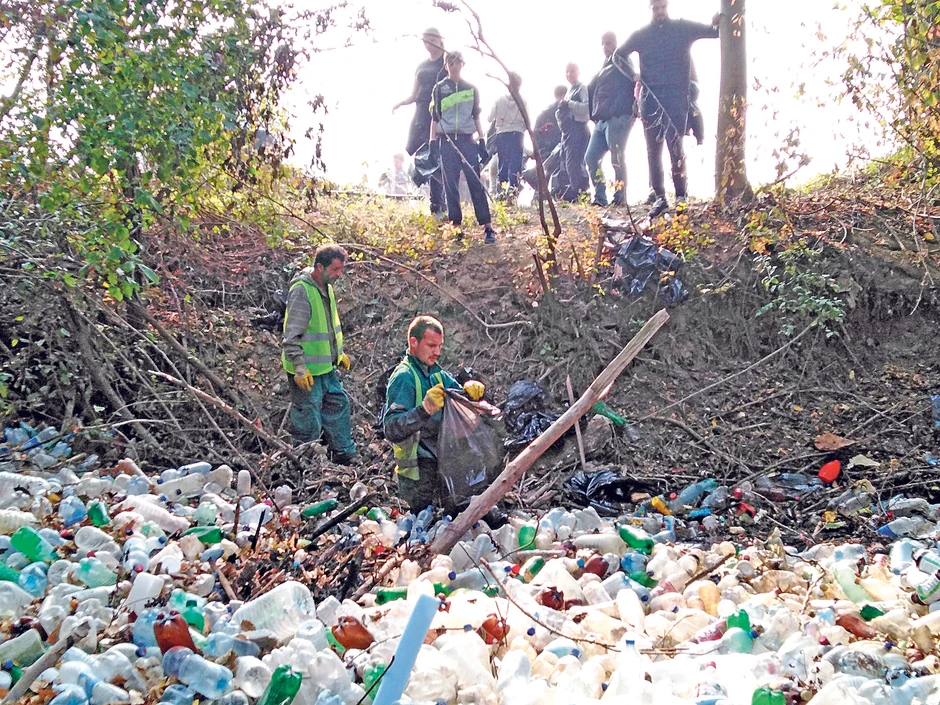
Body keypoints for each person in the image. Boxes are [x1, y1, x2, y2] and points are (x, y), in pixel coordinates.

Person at [615, 0, 719, 217]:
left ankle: (681, 196)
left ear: (667, 6)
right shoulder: (641, 35)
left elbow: (713, 32)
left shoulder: (682, 28)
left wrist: (717, 22)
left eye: (663, 7)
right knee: (653, 150)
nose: (660, 11)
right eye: (656, 8)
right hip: (650, 99)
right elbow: (619, 56)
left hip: (676, 98)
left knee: (675, 146)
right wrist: (634, 75)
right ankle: (660, 197)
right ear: (650, 9)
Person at [383, 316, 487, 511]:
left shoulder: (437, 373)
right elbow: (391, 429)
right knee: (426, 526)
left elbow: (462, 403)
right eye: (431, 345)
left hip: (443, 463)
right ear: (413, 342)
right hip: (419, 476)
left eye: (440, 346)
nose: (437, 352)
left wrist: (472, 391)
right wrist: (424, 410)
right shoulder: (404, 377)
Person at [281, 244, 357, 464]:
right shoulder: (301, 290)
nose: (338, 275)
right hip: (306, 372)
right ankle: (306, 462)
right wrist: (299, 368)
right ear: (319, 267)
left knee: (338, 405)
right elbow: (291, 335)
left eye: (341, 269)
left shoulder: (326, 287)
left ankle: (343, 454)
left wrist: (338, 354)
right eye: (335, 270)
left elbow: (328, 328)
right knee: (308, 418)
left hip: (325, 368)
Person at [431, 52, 496, 243]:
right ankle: (456, 226)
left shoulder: (471, 89)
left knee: (475, 181)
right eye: (451, 62)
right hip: (447, 140)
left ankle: (487, 227)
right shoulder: (439, 88)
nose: (454, 66)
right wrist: (432, 141)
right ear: (446, 66)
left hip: (467, 140)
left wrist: (482, 140)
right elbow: (435, 117)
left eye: (458, 62)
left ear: (462, 64)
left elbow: (476, 116)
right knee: (450, 184)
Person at [393, 28, 447, 216]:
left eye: (432, 39)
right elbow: (414, 93)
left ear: (440, 40)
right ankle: (438, 199)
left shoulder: (446, 62)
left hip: (439, 111)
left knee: (435, 155)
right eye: (425, 40)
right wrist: (401, 103)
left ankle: (439, 202)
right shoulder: (421, 66)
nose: (428, 43)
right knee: (421, 153)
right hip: (421, 111)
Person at [585, 32, 637, 207]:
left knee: (617, 158)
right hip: (601, 120)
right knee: (591, 157)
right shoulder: (604, 65)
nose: (606, 46)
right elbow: (593, 90)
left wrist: (628, 113)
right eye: (603, 43)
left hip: (618, 118)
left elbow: (634, 79)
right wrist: (593, 115)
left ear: (616, 43)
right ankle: (600, 197)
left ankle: (620, 197)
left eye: (609, 43)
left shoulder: (621, 59)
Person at [488, 72, 527, 199]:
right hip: (518, 135)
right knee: (515, 165)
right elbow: (527, 121)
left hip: (502, 134)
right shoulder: (523, 100)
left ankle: (501, 194)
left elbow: (489, 118)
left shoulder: (499, 99)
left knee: (503, 164)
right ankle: (512, 194)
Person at [556, 63, 591, 201]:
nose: (569, 74)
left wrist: (569, 104)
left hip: (579, 129)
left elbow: (586, 109)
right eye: (567, 72)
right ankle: (576, 191)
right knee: (569, 163)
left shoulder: (581, 88)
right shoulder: (570, 90)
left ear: (578, 72)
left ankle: (579, 193)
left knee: (575, 163)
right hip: (569, 131)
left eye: (572, 71)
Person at [523, 85, 567, 193]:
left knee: (544, 172)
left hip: (544, 148)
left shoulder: (544, 112)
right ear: (564, 95)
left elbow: (535, 133)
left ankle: (539, 195)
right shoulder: (564, 110)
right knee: (552, 172)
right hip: (555, 147)